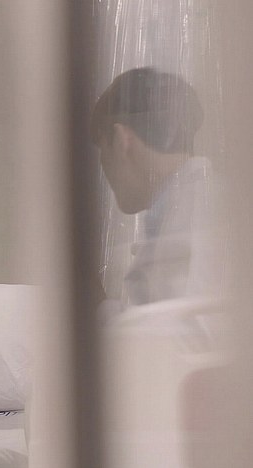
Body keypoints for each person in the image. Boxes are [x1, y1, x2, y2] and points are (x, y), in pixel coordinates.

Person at [91, 67, 225, 308]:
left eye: (102, 149)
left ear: (121, 140)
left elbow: (181, 324)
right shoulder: (180, 206)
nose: (103, 165)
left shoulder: (198, 215)